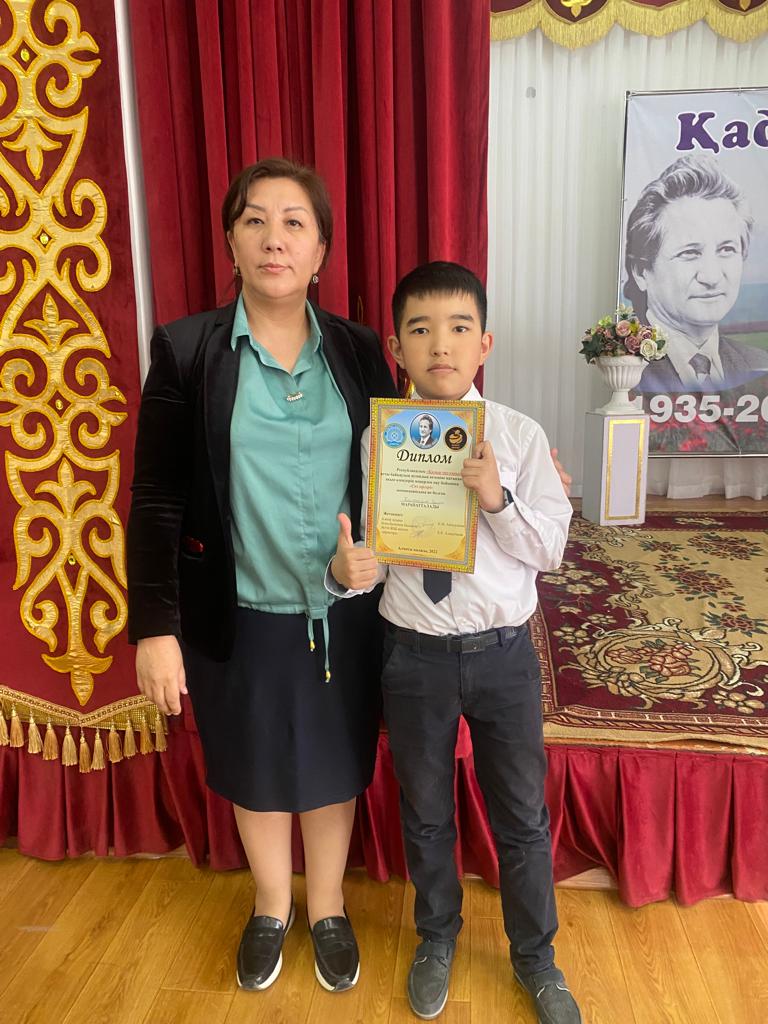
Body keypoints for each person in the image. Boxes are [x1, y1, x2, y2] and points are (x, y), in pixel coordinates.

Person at [127, 157, 398, 995]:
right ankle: (272, 905)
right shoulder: (187, 350)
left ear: (321, 252)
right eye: (255, 220)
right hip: (236, 610)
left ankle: (329, 908)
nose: (274, 239)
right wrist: (155, 628)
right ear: (232, 242)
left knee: (334, 764)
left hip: (343, 608)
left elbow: (398, 467)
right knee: (253, 765)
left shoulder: (357, 349)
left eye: (293, 223)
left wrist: (519, 475)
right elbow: (157, 497)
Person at [329, 262, 581, 1022]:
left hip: (503, 656)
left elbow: (551, 551)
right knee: (426, 811)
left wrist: (497, 499)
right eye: (421, 329)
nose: (441, 344)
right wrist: (346, 573)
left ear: (484, 344)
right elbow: (376, 554)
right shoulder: (380, 439)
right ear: (397, 349)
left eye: (459, 328)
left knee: (522, 816)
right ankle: (436, 938)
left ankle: (536, 958)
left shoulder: (521, 437)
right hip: (414, 655)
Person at [624, 155, 768, 395]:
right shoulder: (622, 368)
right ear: (641, 271)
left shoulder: (759, 364)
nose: (711, 277)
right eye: (689, 253)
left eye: (726, 249)